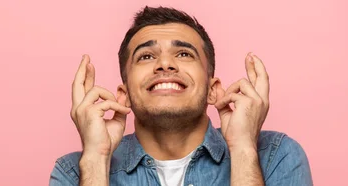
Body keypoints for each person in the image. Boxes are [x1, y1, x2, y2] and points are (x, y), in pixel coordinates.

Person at [49, 6, 312, 186]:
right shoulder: (74, 172)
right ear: (124, 94)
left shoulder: (275, 156)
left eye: (184, 54)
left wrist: (243, 149)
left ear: (212, 88)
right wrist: (96, 158)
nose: (165, 64)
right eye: (146, 56)